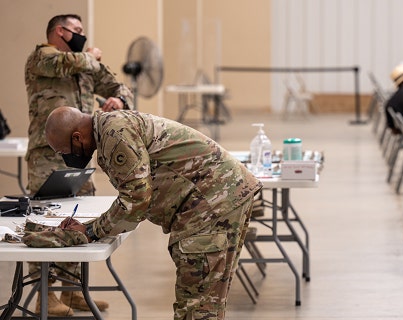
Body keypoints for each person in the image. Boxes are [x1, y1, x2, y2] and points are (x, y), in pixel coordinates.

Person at [45, 107, 263, 320]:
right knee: (206, 302)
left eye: (64, 152)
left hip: (210, 205)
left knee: (197, 307)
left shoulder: (115, 133)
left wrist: (91, 230)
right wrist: (92, 227)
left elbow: (136, 199)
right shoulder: (109, 126)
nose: (66, 159)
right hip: (216, 199)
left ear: (77, 138)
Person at [24, 13, 134, 316]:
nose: (82, 35)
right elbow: (72, 63)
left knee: (79, 220)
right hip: (47, 155)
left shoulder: (84, 63)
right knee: (47, 219)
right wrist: (90, 56)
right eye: (77, 30)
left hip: (80, 153)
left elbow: (118, 85)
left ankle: (73, 291)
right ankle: (45, 295)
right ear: (60, 32)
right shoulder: (42, 58)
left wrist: (120, 102)